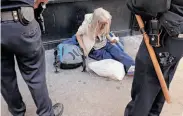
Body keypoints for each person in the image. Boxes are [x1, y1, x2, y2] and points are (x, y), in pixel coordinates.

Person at [1, 0, 64, 116]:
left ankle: (17, 113)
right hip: (21, 21)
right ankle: (46, 113)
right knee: (35, 75)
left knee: (4, 78)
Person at [124, 0, 183, 115]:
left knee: (146, 83)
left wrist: (134, 3)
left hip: (165, 33)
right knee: (162, 79)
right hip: (176, 32)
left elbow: (150, 4)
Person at [63, 8, 135, 75]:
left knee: (119, 53)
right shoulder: (87, 25)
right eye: (103, 23)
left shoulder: (106, 21)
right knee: (110, 59)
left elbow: (106, 33)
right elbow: (78, 35)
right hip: (95, 49)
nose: (105, 24)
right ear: (97, 21)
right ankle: (125, 68)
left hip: (105, 43)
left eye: (106, 23)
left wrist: (111, 39)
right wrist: (83, 48)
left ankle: (133, 67)